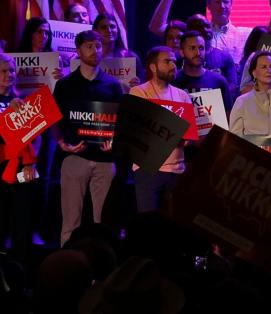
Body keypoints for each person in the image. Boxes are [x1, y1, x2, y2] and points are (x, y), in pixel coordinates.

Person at [52, 30, 124, 245]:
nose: (95, 50)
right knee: (70, 222)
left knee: (104, 222)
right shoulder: (65, 85)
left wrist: (114, 140)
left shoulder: (112, 85)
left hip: (105, 161)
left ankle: (104, 269)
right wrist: (61, 143)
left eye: (98, 45)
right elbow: (54, 118)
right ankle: (66, 266)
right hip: (75, 158)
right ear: (78, 50)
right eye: (89, 46)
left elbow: (119, 121)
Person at [129, 47, 192, 212]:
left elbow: (187, 136)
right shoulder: (138, 92)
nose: (173, 65)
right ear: (152, 66)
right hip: (148, 170)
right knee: (149, 227)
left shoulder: (182, 96)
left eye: (174, 61)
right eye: (167, 61)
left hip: (177, 170)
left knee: (175, 228)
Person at [0, 53, 40, 260]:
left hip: (21, 173)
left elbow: (32, 138)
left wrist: (30, 164)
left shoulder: (22, 101)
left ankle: (20, 272)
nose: (9, 75)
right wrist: (8, 114)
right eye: (4, 71)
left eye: (12, 70)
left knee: (22, 221)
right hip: (0, 172)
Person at [172, 30, 234, 110]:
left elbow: (228, 115)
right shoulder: (173, 81)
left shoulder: (219, 81)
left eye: (201, 48)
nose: (198, 53)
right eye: (192, 48)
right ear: (182, 52)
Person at [185, 14, 239, 97]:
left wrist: (212, 98)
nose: (206, 30)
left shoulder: (224, 56)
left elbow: (233, 85)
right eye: (199, 27)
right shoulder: (181, 57)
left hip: (218, 106)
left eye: (207, 26)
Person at [92, 13, 143, 92]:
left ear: (118, 30)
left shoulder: (130, 57)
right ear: (95, 31)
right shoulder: (88, 58)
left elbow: (144, 87)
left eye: (112, 27)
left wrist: (138, 86)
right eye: (103, 27)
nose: (109, 30)